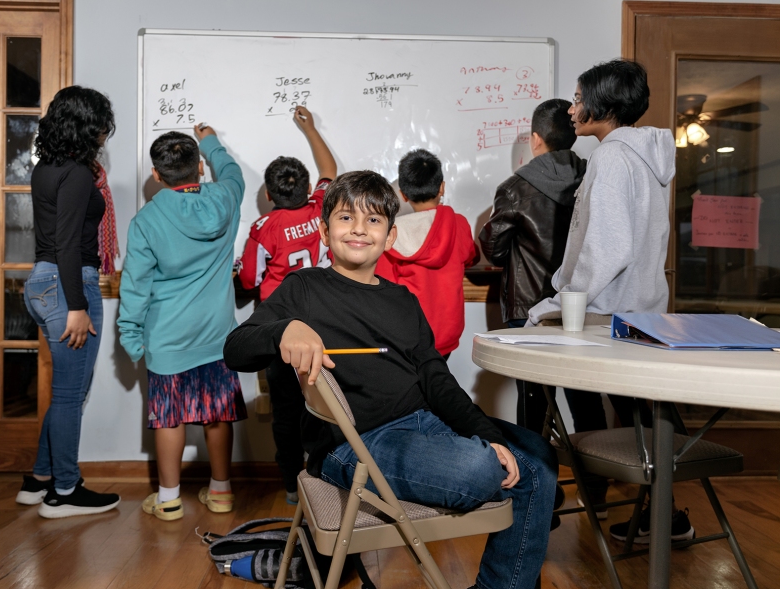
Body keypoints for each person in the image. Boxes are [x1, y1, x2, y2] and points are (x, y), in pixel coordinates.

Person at [224, 171, 559, 589]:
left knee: (539, 460)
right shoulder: (304, 287)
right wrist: (283, 330)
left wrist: (486, 433)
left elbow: (436, 379)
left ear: (390, 235)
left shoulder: (402, 300)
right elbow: (235, 348)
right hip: (353, 445)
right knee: (482, 466)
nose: (360, 229)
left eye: (373, 220)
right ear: (325, 232)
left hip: (421, 423)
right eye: (346, 218)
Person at [526, 59, 693, 542]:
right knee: (647, 416)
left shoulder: (613, 157)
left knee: (641, 418)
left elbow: (607, 247)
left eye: (578, 99)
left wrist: (558, 301)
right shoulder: (644, 154)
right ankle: (669, 516)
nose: (572, 110)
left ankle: (545, 502)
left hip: (611, 315)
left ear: (603, 104)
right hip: (640, 309)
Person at [117, 124, 247, 521]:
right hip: (218, 336)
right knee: (218, 413)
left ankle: (169, 498)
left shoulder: (146, 221)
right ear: (201, 169)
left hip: (168, 339)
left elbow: (135, 288)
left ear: (157, 176)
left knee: (168, 417)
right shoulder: (226, 197)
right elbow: (234, 172)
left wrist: (131, 339)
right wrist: (209, 140)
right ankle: (221, 492)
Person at [20, 86, 121, 518]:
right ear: (85, 124)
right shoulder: (79, 173)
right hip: (67, 285)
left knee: (66, 392)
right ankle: (64, 490)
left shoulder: (46, 167)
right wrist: (78, 306)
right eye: (99, 123)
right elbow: (66, 243)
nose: (104, 132)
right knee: (69, 396)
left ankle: (40, 479)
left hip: (42, 282)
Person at [237, 106, 336, 505]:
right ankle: (325, 479)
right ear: (311, 187)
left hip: (281, 329)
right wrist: (311, 128)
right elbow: (329, 167)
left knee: (286, 410)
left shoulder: (263, 228)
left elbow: (247, 280)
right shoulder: (321, 209)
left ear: (267, 195)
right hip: (325, 321)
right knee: (326, 404)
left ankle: (294, 485)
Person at [479, 99, 586, 433]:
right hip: (580, 305)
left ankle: (541, 480)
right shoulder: (592, 177)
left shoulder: (514, 189)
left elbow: (495, 250)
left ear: (536, 139)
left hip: (528, 307)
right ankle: (596, 480)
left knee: (534, 397)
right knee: (585, 395)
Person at [375, 149, 479, 359]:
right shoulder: (459, 224)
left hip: (407, 337)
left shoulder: (390, 234)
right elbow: (470, 257)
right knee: (437, 386)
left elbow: (383, 287)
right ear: (442, 187)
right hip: (446, 335)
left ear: (403, 194)